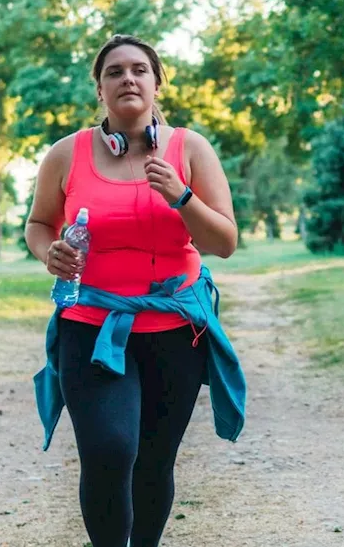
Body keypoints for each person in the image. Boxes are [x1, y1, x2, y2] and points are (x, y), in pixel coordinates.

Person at [26, 34, 244, 547]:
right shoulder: (66, 153)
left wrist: (181, 195)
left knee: (153, 460)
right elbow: (38, 224)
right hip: (92, 328)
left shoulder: (190, 149)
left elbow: (225, 242)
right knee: (108, 450)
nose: (128, 77)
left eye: (140, 69)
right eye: (115, 71)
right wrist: (49, 252)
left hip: (175, 331)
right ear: (99, 90)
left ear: (156, 83)